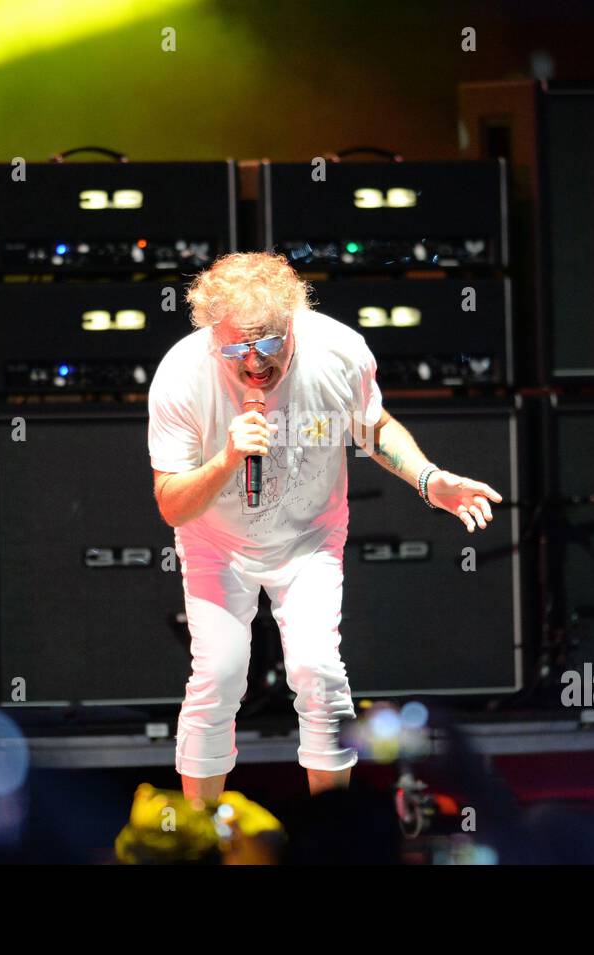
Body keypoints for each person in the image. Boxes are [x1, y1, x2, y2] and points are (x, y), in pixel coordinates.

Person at [148, 252, 503, 802]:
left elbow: (373, 425)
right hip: (215, 542)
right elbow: (171, 503)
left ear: (294, 323)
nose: (255, 364)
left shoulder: (339, 350)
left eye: (269, 344)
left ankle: (333, 840)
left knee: (319, 675)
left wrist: (428, 479)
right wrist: (224, 460)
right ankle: (200, 837)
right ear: (213, 336)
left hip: (308, 537)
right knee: (219, 676)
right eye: (238, 349)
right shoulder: (180, 374)